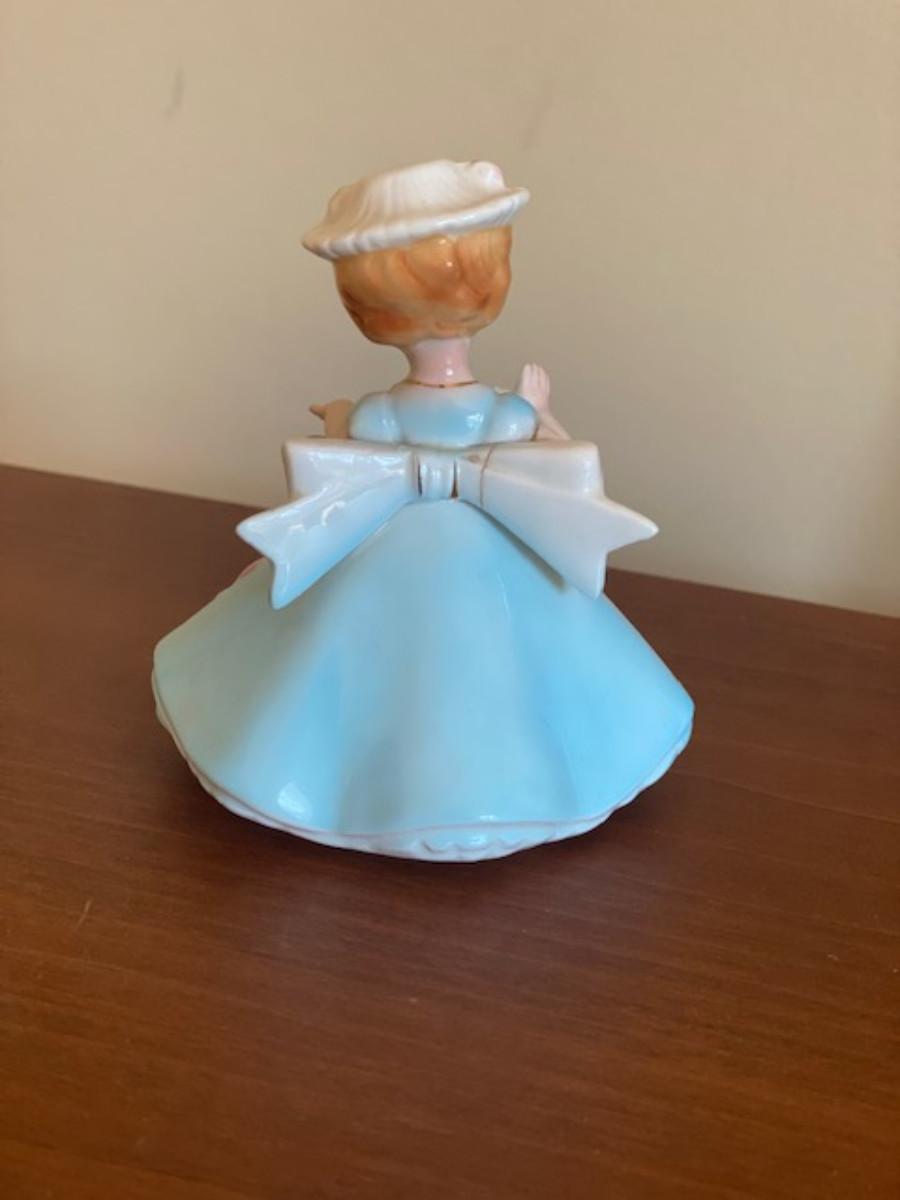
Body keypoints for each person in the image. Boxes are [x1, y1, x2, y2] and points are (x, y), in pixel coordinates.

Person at [153, 160, 693, 861]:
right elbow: (558, 455)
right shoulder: (505, 413)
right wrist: (541, 413)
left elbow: (349, 443)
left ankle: (374, 787)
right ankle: (509, 787)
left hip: (392, 548)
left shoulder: (379, 415)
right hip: (482, 550)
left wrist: (337, 416)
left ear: (367, 314)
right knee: (512, 664)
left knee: (351, 655)